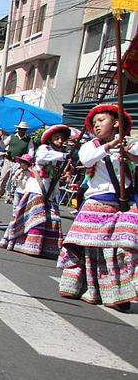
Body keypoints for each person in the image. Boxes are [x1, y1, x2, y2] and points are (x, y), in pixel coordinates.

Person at [58, 105, 138, 311]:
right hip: (96, 204)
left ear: (117, 123)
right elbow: (86, 159)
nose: (97, 125)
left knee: (122, 248)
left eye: (101, 120)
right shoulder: (90, 146)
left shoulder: (130, 144)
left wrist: (129, 155)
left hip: (122, 207)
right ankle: (89, 288)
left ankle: (121, 293)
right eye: (94, 123)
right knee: (90, 252)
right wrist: (109, 146)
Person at [0, 124, 70, 258]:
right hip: (37, 187)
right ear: (50, 138)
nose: (60, 141)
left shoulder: (59, 152)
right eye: (57, 138)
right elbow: (44, 157)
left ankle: (45, 246)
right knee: (34, 216)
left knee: (52, 218)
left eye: (62, 139)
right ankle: (26, 244)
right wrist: (64, 156)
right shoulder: (45, 149)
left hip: (51, 190)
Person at [0, 121, 34, 201]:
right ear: (18, 129)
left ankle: (10, 195)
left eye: (23, 129)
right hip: (9, 160)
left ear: (25, 130)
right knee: (3, 177)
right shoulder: (12, 137)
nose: (21, 130)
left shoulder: (28, 140)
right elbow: (3, 145)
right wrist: (0, 138)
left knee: (14, 179)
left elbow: (31, 151)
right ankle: (0, 192)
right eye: (20, 129)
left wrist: (27, 160)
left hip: (19, 162)